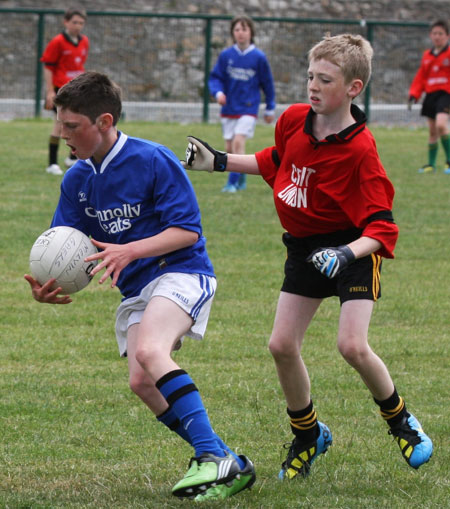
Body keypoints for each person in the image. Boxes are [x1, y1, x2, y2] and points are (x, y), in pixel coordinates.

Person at [182, 34, 433, 479]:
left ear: (353, 88)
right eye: (310, 76)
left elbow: (382, 227)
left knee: (352, 345)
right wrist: (219, 161)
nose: (312, 87)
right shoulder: (295, 119)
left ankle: (401, 422)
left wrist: (345, 252)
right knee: (281, 345)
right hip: (304, 248)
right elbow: (275, 159)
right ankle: (309, 434)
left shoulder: (361, 150)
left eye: (325, 80)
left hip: (352, 248)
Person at [24, 71, 255, 503]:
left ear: (105, 121)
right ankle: (229, 462)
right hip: (136, 290)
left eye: (72, 126)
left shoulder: (152, 159)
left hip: (181, 270)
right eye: (61, 124)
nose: (63, 134)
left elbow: (186, 231)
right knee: (141, 381)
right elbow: (68, 248)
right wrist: (50, 285)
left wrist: (130, 250)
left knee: (151, 351)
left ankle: (209, 456)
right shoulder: (76, 180)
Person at [208, 14, 275, 193]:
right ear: (233, 33)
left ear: (251, 32)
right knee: (229, 148)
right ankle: (242, 177)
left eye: (244, 29)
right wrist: (219, 93)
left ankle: (232, 183)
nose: (240, 33)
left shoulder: (258, 57)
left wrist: (270, 107)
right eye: (237, 29)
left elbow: (267, 84)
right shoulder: (226, 55)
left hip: (248, 108)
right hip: (229, 108)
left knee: (238, 142)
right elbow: (215, 78)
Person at [40, 6, 89, 175]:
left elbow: (78, 64)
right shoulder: (57, 42)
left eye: (81, 23)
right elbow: (48, 67)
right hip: (60, 90)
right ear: (66, 22)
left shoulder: (84, 42)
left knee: (80, 123)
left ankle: (72, 158)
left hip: (77, 90)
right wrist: (49, 91)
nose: (78, 26)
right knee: (59, 123)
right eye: (74, 22)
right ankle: (52, 163)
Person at [408, 19, 450, 174]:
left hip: (446, 94)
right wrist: (414, 94)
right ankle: (431, 165)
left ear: (447, 36)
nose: (437, 36)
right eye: (434, 33)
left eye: (440, 33)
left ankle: (449, 161)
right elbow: (421, 77)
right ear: (430, 35)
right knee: (432, 131)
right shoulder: (427, 55)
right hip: (430, 95)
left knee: (441, 125)